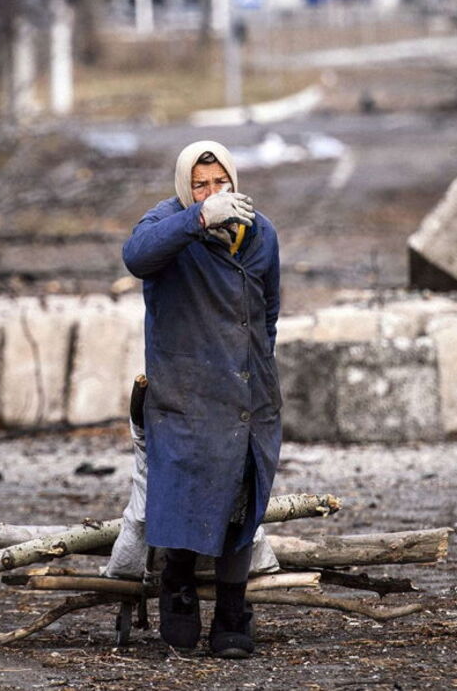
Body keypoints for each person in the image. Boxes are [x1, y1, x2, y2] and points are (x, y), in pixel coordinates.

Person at [120, 140, 282, 658]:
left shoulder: (260, 233)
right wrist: (197, 219)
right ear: (185, 187)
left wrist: (252, 368)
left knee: (240, 501)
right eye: (200, 184)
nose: (213, 193)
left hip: (248, 394)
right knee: (182, 493)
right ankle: (179, 588)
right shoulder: (166, 225)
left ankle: (234, 611)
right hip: (185, 394)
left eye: (220, 184)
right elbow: (136, 257)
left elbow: (268, 311)